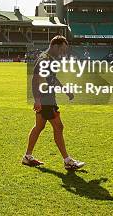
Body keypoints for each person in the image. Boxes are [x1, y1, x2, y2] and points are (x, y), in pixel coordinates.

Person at [22, 35, 85, 171]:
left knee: (38, 127)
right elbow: (35, 79)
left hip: (48, 98)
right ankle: (68, 161)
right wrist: (37, 99)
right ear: (55, 46)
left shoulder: (50, 59)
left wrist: (65, 91)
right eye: (62, 49)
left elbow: (52, 79)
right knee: (59, 127)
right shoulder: (44, 59)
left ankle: (27, 157)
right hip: (46, 100)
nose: (63, 52)